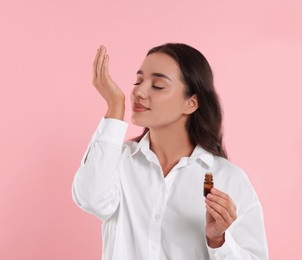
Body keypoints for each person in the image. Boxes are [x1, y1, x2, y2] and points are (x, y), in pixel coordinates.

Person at [72, 43, 268, 260]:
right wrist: (115, 107)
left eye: (157, 85)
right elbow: (90, 198)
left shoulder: (228, 178)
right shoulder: (117, 162)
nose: (138, 91)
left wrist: (218, 241)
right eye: (138, 81)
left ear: (191, 103)